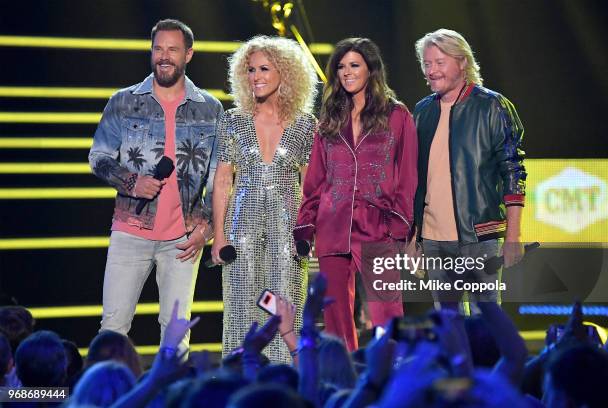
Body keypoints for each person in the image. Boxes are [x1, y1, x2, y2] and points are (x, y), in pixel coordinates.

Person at [89, 19, 223, 350]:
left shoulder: (211, 108)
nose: (164, 56)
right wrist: (132, 182)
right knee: (113, 328)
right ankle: (108, 398)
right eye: (158, 49)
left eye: (172, 49)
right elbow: (99, 156)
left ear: (188, 54)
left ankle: (172, 400)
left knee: (176, 334)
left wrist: (205, 228)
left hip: (183, 239)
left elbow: (220, 176)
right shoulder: (123, 101)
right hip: (130, 231)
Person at [294, 37, 418, 351]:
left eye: (354, 65)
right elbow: (316, 180)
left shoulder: (396, 115)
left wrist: (398, 224)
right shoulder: (329, 119)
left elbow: (407, 174)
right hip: (332, 228)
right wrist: (306, 225)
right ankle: (343, 379)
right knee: (335, 316)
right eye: (341, 66)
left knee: (387, 314)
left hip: (378, 226)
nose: (347, 72)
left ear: (371, 69)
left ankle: (388, 381)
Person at [211, 35, 318, 363]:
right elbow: (221, 180)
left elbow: (312, 186)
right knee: (244, 304)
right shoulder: (232, 120)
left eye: (264, 69)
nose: (255, 76)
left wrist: (309, 233)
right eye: (250, 70)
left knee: (284, 303)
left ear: (284, 73)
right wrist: (219, 236)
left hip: (288, 229)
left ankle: (285, 381)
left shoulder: (305, 124)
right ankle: (241, 381)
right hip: (241, 225)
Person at [413, 29, 526, 309]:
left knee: (485, 321)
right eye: (427, 64)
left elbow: (514, 171)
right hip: (433, 240)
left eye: (440, 62)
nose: (432, 71)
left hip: (479, 237)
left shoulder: (493, 106)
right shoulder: (422, 111)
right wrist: (414, 237)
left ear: (463, 62)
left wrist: (513, 236)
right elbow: (415, 179)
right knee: (449, 327)